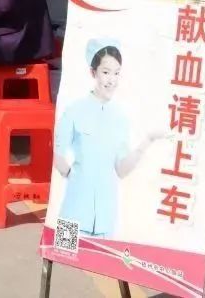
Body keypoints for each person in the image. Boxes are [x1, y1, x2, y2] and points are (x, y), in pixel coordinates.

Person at [55, 43, 162, 238]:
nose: (111, 80)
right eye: (105, 72)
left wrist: (147, 141)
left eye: (116, 73)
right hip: (73, 211)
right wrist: (75, 179)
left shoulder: (120, 117)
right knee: (64, 253)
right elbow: (58, 154)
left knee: (102, 257)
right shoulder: (74, 110)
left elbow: (121, 169)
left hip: (105, 219)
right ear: (93, 72)